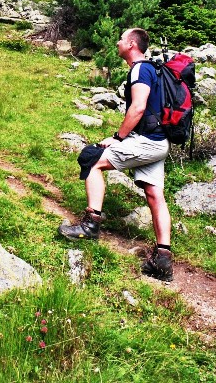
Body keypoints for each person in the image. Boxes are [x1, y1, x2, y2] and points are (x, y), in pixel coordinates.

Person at [58, 28, 173, 282]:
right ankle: (163, 261)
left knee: (92, 160)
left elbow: (138, 107)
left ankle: (90, 225)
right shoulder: (152, 68)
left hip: (147, 142)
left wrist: (117, 138)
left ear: (132, 44)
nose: (118, 42)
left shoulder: (140, 69)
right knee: (155, 194)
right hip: (158, 142)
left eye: (121, 39)